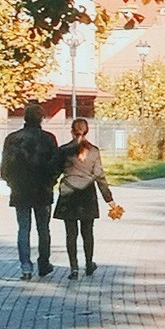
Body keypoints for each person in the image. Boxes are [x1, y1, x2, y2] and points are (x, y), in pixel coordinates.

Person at [0, 102, 59, 278]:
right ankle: (44, 263)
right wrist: (51, 182)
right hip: (42, 189)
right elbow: (55, 165)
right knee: (43, 229)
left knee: (23, 228)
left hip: (20, 190)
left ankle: (26, 266)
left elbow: (5, 168)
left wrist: (12, 183)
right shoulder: (48, 139)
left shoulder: (12, 139)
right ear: (41, 118)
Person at [53, 115, 114, 279]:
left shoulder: (64, 150)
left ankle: (73, 268)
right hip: (87, 195)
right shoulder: (94, 152)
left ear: (72, 131)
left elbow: (55, 172)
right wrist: (109, 200)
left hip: (68, 194)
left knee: (70, 233)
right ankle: (89, 263)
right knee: (88, 232)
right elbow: (100, 176)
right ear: (87, 131)